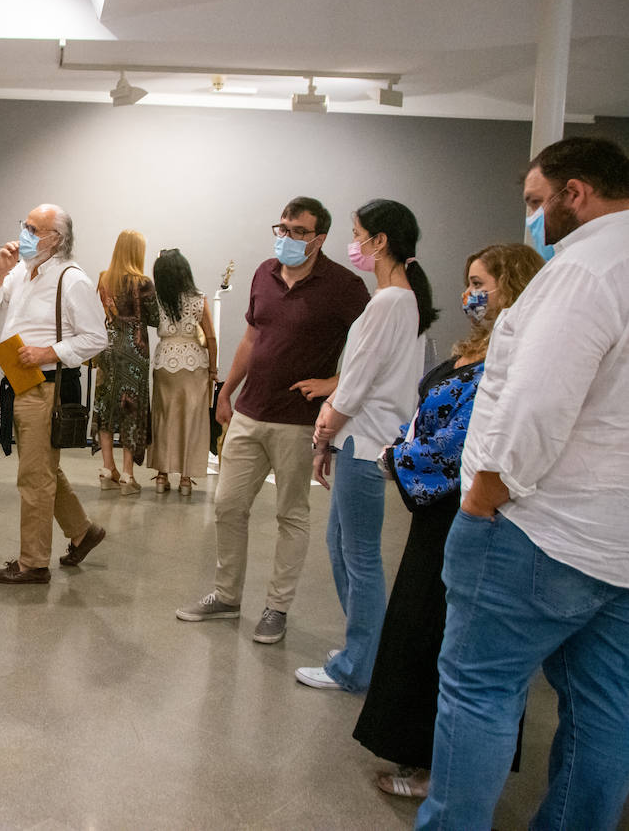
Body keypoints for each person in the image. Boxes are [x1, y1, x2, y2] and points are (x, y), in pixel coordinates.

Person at [418, 137, 629, 830]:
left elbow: (536, 406)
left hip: (539, 530)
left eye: (538, 202)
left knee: (479, 692)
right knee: (604, 712)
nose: (533, 218)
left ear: (576, 193)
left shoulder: (584, 271)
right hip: (618, 547)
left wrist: (484, 497)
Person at [355, 243, 543, 798]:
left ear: (510, 287)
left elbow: (463, 444)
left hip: (467, 511)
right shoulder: (479, 348)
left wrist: (397, 458)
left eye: (480, 282)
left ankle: (445, 774)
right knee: (422, 632)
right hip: (434, 518)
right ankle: (422, 754)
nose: (469, 293)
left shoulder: (511, 359)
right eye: (468, 281)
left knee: (451, 641)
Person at [176, 197, 370, 644]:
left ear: (319, 238)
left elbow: (374, 350)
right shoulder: (264, 272)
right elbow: (251, 336)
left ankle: (277, 607)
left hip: (299, 422)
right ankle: (226, 595)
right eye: (281, 229)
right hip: (249, 411)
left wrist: (334, 383)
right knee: (227, 505)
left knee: (292, 515)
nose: (286, 238)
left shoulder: (344, 286)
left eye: (298, 232)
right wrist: (226, 390)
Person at [294, 199, 435, 692]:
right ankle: (365, 650)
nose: (353, 245)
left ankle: (358, 664)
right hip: (365, 439)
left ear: (380, 242)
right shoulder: (402, 301)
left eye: (358, 235)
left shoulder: (390, 302)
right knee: (343, 547)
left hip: (364, 441)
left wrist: (324, 433)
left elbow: (356, 382)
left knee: (359, 557)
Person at [0, 204, 109, 584]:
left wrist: (47, 352)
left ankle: (33, 563)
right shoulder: (21, 270)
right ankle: (84, 532)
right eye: (25, 225)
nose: (25, 233)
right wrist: (0, 270)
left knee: (34, 477)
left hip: (46, 386)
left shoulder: (72, 280)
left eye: (34, 229)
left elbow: (96, 338)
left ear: (57, 239)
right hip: (20, 382)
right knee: (42, 469)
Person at [91, 230, 159, 495]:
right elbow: (153, 318)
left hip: (107, 348)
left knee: (106, 407)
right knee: (131, 409)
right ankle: (127, 476)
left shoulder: (103, 279)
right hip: (134, 351)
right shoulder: (143, 283)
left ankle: (108, 469)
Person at [147, 249, 216, 496]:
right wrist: (213, 368)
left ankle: (162, 476)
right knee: (191, 420)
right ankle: (185, 479)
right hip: (194, 363)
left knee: (164, 419)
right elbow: (210, 336)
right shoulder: (198, 298)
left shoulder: (157, 299)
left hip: (164, 362)